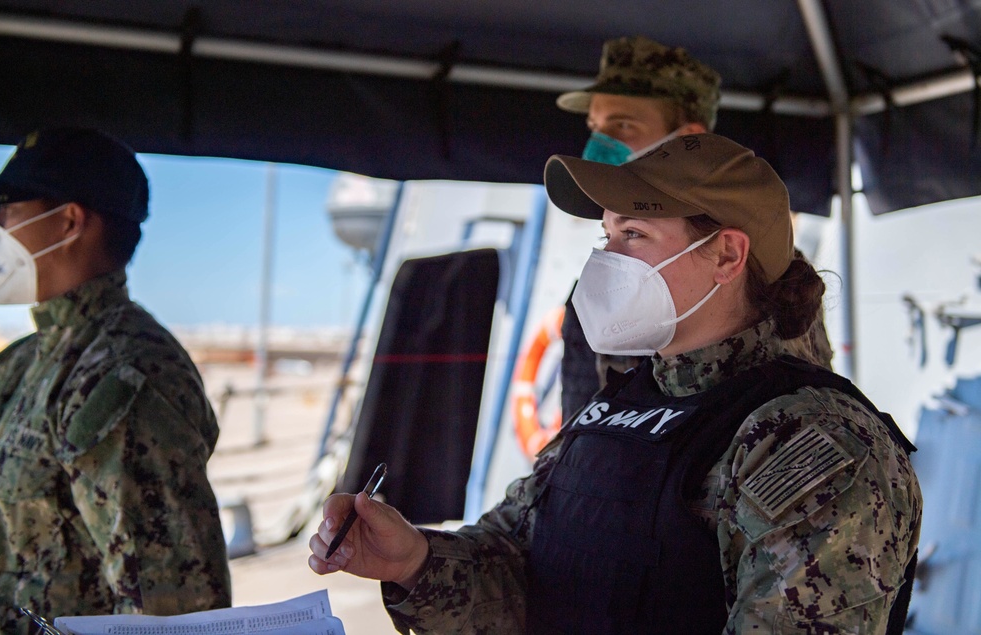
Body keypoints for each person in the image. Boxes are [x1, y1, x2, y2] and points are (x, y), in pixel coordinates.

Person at [309, 133, 921, 634]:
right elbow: (519, 567)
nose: (606, 261)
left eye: (634, 235)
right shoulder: (618, 407)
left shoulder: (809, 444)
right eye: (606, 237)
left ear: (728, 256)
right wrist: (413, 558)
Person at [0, 128, 231, 633]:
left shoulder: (124, 374)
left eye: (8, 209)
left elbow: (173, 614)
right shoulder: (23, 365)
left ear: (68, 221)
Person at [555, 36, 833, 422]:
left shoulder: (770, 276)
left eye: (622, 125)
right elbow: (575, 432)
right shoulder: (595, 289)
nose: (600, 145)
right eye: (595, 127)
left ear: (689, 140)